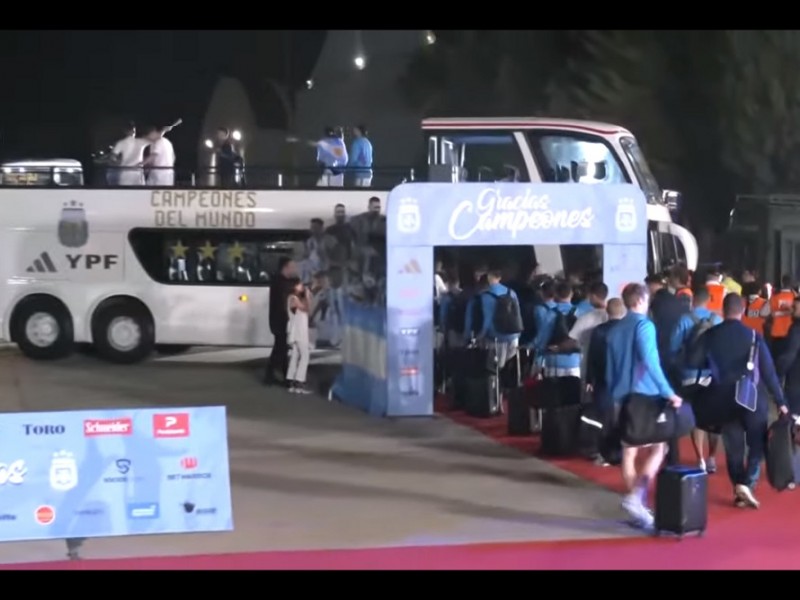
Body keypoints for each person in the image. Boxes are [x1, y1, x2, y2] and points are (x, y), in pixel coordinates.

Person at [693, 293, 788, 508]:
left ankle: (738, 485)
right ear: (742, 309)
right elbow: (769, 373)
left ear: (723, 311)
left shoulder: (710, 335)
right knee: (757, 443)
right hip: (752, 398)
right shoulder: (754, 337)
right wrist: (780, 401)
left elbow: (693, 361)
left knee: (733, 446)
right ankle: (747, 483)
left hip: (722, 399)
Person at [606, 283, 682, 529]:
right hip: (645, 396)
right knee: (659, 448)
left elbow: (611, 367)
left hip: (621, 395)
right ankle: (636, 498)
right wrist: (669, 392)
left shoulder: (615, 329)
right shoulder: (644, 325)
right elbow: (651, 361)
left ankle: (636, 507)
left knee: (629, 452)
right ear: (639, 300)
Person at [670, 287, 723, 472]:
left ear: (693, 301)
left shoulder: (684, 319)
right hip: (711, 375)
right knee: (714, 417)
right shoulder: (717, 319)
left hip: (688, 375)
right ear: (708, 301)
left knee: (696, 416)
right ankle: (712, 458)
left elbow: (673, 348)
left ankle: (699, 458)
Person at [476, 269, 521, 369]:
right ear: (500, 278)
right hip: (513, 336)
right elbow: (517, 314)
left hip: (495, 336)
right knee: (506, 367)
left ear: (488, 277)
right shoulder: (511, 292)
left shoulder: (485, 296)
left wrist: (479, 336)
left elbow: (487, 321)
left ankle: (494, 382)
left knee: (493, 368)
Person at [266, 256, 297, 385]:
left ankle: (279, 376)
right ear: (285, 267)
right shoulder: (280, 282)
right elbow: (284, 301)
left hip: (279, 320)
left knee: (281, 349)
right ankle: (276, 376)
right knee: (280, 348)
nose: (294, 269)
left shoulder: (280, 281)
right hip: (279, 320)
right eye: (292, 267)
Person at [286, 278, 312, 394]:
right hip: (299, 332)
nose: (302, 286)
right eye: (300, 285)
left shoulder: (296, 298)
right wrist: (306, 295)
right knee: (305, 355)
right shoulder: (293, 298)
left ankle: (292, 381)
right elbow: (306, 309)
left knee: (295, 355)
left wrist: (307, 295)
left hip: (298, 331)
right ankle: (299, 382)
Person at [777, 297, 800, 415]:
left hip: (795, 383)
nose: (792, 310)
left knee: (792, 419)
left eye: (795, 307)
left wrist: (777, 373)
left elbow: (789, 356)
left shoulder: (796, 329)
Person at [764, 274, 797, 357]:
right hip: (791, 332)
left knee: (776, 358)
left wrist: (778, 313)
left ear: (782, 283)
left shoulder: (775, 297)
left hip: (776, 332)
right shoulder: (795, 298)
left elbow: (766, 313)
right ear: (792, 284)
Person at [110, 122, 147, 186]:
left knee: (125, 193)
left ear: (125, 131)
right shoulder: (141, 141)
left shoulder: (121, 143)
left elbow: (112, 157)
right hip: (137, 172)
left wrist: (120, 164)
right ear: (133, 131)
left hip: (125, 172)